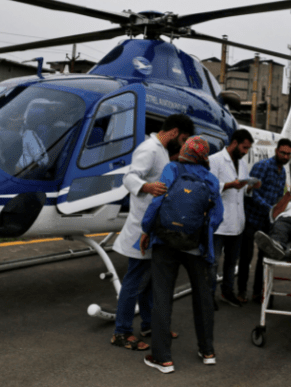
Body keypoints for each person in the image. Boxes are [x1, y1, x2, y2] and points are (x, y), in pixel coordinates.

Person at [109, 114, 194, 352]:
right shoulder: (149, 148)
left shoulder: (162, 150)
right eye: (184, 138)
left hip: (153, 228)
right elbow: (129, 177)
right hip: (140, 229)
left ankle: (148, 324)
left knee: (148, 283)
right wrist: (146, 186)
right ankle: (121, 332)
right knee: (134, 282)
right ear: (175, 132)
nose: (183, 143)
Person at [140, 136, 224, 374]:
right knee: (203, 298)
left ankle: (163, 358)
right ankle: (207, 351)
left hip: (164, 242)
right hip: (195, 247)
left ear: (186, 151)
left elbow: (157, 202)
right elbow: (217, 217)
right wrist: (200, 235)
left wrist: (146, 230)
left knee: (162, 297)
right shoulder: (210, 179)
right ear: (204, 157)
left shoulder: (172, 168)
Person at [238, 138, 291, 303]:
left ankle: (257, 293)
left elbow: (278, 197)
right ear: (276, 151)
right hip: (252, 217)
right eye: (283, 152)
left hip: (268, 221)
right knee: (246, 257)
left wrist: (283, 205)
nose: (285, 156)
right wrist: (269, 209)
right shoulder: (263, 166)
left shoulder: (283, 172)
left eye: (288, 154)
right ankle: (241, 291)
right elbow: (251, 191)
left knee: (263, 258)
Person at [208, 129, 254, 308]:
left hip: (237, 223)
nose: (245, 152)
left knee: (231, 262)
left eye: (248, 149)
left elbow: (241, 192)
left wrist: (250, 187)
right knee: (213, 262)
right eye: (243, 147)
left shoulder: (242, 164)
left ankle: (227, 292)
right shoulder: (215, 160)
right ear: (234, 143)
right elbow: (209, 188)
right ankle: (209, 295)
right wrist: (229, 185)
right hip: (219, 223)